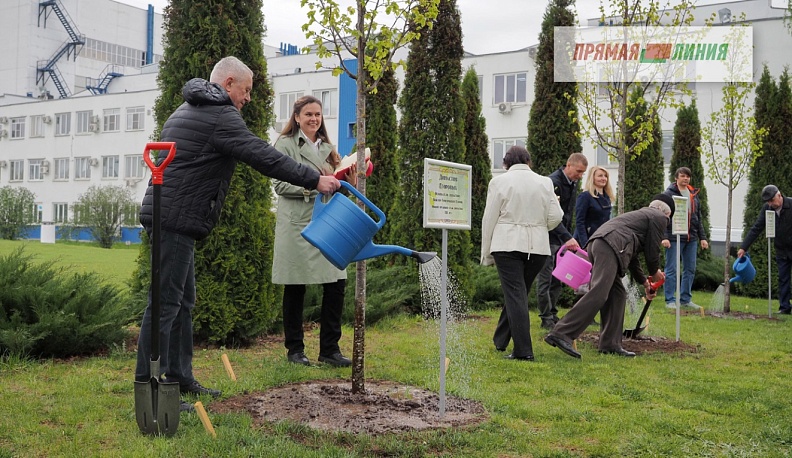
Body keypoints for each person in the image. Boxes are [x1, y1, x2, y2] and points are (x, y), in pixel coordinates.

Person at [135, 57, 341, 411]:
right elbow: (262, 156)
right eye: (245, 90)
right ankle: (150, 391)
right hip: (175, 218)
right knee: (165, 305)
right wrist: (314, 179)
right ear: (228, 83)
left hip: (172, 215)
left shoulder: (188, 107)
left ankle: (178, 377)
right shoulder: (219, 113)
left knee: (182, 302)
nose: (247, 98)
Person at [272, 95, 356, 367]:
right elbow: (280, 185)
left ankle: (330, 350)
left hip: (328, 224)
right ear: (297, 117)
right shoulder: (285, 145)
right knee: (295, 286)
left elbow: (335, 187)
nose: (314, 119)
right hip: (298, 224)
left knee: (336, 282)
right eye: (308, 114)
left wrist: (349, 182)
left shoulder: (329, 149)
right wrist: (314, 185)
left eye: (318, 114)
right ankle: (295, 350)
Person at [544, 194, 671, 359]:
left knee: (617, 294)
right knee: (599, 292)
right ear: (663, 211)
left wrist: (645, 284)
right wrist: (655, 272)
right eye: (668, 218)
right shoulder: (658, 217)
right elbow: (652, 251)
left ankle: (610, 344)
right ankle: (561, 333)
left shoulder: (639, 219)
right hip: (610, 246)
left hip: (600, 244)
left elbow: (633, 259)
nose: (666, 222)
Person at [481, 146, 563, 361]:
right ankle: (501, 339)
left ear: (505, 163)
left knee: (516, 294)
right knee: (518, 293)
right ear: (528, 161)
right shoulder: (545, 182)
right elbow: (556, 217)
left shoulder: (498, 182)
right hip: (538, 247)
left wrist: (486, 253)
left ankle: (523, 351)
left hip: (506, 244)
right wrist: (539, 226)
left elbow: (489, 219)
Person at [535, 153, 588, 329]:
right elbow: (550, 216)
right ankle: (545, 318)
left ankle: (553, 314)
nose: (580, 175)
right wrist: (567, 237)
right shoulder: (553, 183)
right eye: (578, 171)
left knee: (558, 279)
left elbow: (567, 214)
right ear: (568, 165)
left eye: (583, 173)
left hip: (561, 240)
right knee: (546, 280)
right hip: (548, 238)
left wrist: (567, 237)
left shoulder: (572, 183)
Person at [738, 184, 792, 315]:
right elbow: (757, 228)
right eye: (768, 201)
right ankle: (784, 307)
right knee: (783, 278)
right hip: (782, 250)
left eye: (772, 200)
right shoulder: (767, 209)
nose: (770, 204)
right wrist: (744, 247)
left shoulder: (791, 204)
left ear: (779, 195)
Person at [661, 167, 709, 310]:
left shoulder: (693, 194)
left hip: (691, 238)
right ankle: (670, 300)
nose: (685, 178)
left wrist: (702, 237)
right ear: (676, 178)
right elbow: (662, 217)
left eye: (688, 176)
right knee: (671, 269)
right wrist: (664, 236)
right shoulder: (668, 194)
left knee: (690, 269)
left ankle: (685, 299)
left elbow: (697, 218)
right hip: (674, 237)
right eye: (682, 176)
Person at [573, 166, 613, 247]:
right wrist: (585, 244)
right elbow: (580, 222)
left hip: (600, 240)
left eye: (605, 176)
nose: (603, 178)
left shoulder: (607, 198)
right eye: (600, 176)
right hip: (585, 241)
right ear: (592, 178)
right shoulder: (585, 196)